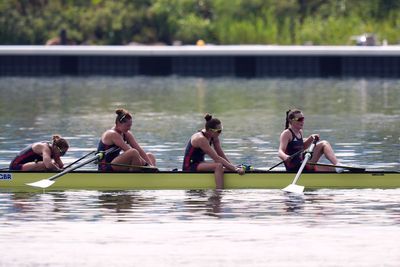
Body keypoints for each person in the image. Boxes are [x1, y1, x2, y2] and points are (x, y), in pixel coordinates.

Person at [182, 114, 245, 189]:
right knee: (218, 165)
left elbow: (221, 154)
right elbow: (217, 159)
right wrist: (236, 169)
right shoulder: (201, 139)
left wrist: (233, 167)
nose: (220, 133)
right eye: (218, 131)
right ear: (210, 131)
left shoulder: (214, 136)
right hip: (189, 166)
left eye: (221, 129)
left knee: (227, 167)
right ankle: (219, 192)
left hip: (200, 163)